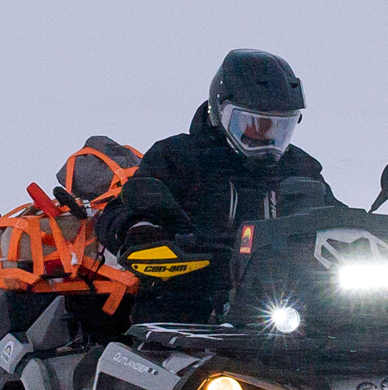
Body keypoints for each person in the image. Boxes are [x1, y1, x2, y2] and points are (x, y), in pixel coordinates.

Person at [98, 49, 336, 322]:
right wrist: (139, 228)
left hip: (287, 304)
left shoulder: (301, 167)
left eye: (279, 127)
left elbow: (333, 216)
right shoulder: (179, 156)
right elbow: (120, 210)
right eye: (253, 124)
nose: (266, 136)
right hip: (187, 300)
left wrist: (361, 233)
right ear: (220, 112)